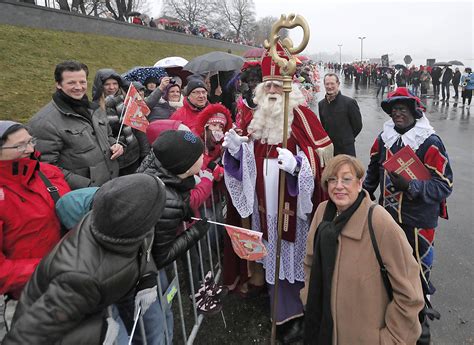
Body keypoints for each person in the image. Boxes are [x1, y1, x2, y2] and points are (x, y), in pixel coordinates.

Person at [223, 42, 333, 343]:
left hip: (292, 206)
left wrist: (298, 166)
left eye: (277, 84)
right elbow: (248, 159)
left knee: (293, 254)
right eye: (268, 84)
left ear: (289, 87)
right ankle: (278, 308)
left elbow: (322, 156)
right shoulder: (256, 120)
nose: (272, 90)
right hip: (263, 204)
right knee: (271, 252)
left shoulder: (304, 119)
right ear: (261, 88)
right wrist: (236, 152)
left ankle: (300, 309)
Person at [3, 173, 167, 345]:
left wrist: (147, 275)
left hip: (101, 297)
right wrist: (96, 334)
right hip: (74, 319)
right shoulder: (79, 277)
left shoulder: (111, 221)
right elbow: (26, 337)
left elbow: (144, 235)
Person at [301, 154, 424, 344]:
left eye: (347, 179)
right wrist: (308, 297)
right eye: (332, 180)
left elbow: (409, 292)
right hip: (322, 329)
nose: (339, 186)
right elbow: (310, 262)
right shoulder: (322, 213)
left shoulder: (379, 222)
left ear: (359, 184)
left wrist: (390, 339)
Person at [363, 87, 453, 343]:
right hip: (387, 216)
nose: (397, 114)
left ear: (414, 111)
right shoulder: (384, 138)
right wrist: (365, 195)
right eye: (393, 110)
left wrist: (411, 186)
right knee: (389, 266)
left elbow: (445, 184)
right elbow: (372, 170)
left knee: (419, 270)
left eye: (402, 109)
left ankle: (420, 320)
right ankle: (393, 311)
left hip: (419, 220)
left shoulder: (430, 142)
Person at [0, 121, 71, 332]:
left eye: (30, 142)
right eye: (20, 146)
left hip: (74, 284)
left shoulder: (47, 173)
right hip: (32, 298)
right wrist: (49, 269)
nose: (30, 149)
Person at [27, 60, 124, 190]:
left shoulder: (95, 109)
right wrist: (87, 185)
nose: (79, 87)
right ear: (58, 84)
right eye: (71, 82)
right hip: (83, 194)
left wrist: (116, 145)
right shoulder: (44, 122)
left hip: (111, 183)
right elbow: (46, 168)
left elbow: (108, 136)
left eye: (82, 82)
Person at [92, 69, 150, 176]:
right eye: (107, 84)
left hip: (134, 153)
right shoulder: (95, 108)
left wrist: (145, 152)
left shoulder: (127, 100)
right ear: (101, 86)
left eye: (115, 83)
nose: (112, 87)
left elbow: (138, 126)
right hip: (114, 158)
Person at [318, 73, 362, 156]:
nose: (329, 86)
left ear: (338, 84)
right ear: (324, 85)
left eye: (332, 83)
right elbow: (324, 125)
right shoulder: (321, 104)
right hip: (330, 148)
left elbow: (358, 126)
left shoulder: (349, 103)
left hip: (346, 148)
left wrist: (347, 138)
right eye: (327, 84)